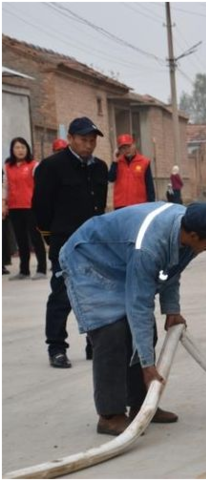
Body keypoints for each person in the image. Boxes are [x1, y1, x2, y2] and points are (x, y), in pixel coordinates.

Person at [59, 202, 206, 435]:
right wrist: (147, 364)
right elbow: (139, 304)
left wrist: (171, 309)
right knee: (111, 333)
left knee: (143, 332)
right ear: (193, 235)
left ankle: (141, 406)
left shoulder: (188, 228)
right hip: (88, 259)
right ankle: (110, 415)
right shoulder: (149, 247)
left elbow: (171, 270)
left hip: (123, 258)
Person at [33, 117, 109, 368]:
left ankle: (94, 344)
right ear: (72, 139)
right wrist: (50, 236)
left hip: (93, 243)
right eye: (84, 140)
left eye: (92, 141)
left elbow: (99, 207)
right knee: (62, 295)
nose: (89, 145)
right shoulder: (52, 166)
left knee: (95, 294)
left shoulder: (99, 167)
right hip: (65, 242)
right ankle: (56, 347)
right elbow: (41, 208)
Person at [4, 137, 47, 280]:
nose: (20, 150)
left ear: (27, 149)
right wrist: (4, 203)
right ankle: (24, 270)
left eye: (23, 147)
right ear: (12, 150)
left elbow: (41, 186)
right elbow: (5, 186)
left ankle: (41, 269)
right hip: (14, 207)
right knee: (21, 239)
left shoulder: (34, 165)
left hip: (31, 207)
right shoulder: (7, 166)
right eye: (17, 147)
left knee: (35, 238)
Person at [109, 134, 155, 210]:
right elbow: (111, 178)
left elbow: (149, 185)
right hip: (120, 205)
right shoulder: (117, 162)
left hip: (139, 205)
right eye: (123, 148)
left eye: (128, 146)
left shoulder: (144, 162)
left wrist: (151, 204)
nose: (126, 150)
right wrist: (114, 161)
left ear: (134, 145)